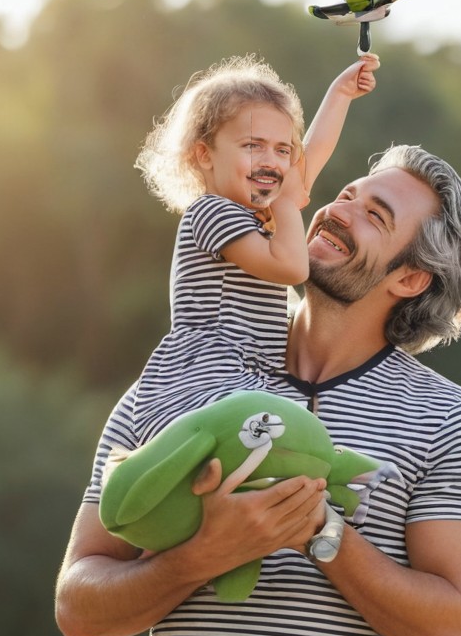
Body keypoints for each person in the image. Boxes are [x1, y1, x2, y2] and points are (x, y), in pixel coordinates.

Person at [56, 141, 461, 636]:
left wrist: (316, 529)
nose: (336, 212)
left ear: (410, 277)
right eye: (346, 195)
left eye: (374, 217)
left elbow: (450, 633)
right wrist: (201, 556)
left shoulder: (448, 417)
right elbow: (76, 609)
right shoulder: (183, 373)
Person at [120, 52, 380, 435]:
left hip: (248, 379)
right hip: (207, 377)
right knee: (292, 438)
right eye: (253, 146)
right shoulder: (211, 212)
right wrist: (287, 202)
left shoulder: (264, 211)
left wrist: (339, 95)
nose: (272, 161)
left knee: (297, 442)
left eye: (282, 150)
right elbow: (291, 268)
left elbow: (309, 159)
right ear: (204, 155)